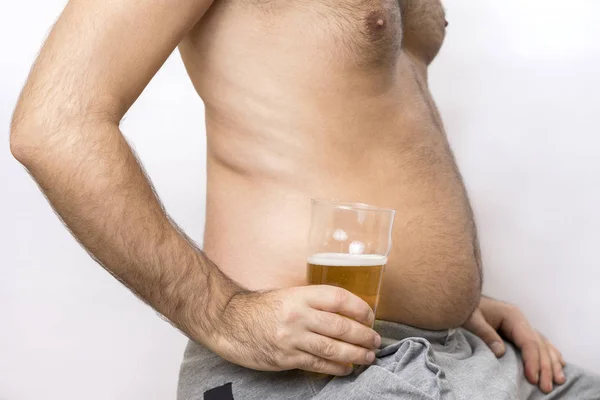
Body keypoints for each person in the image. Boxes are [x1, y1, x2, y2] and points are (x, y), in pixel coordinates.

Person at [9, 0, 600, 398]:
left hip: (454, 354)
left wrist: (449, 295)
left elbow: (364, 115)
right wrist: (224, 314)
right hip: (315, 375)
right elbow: (56, 126)